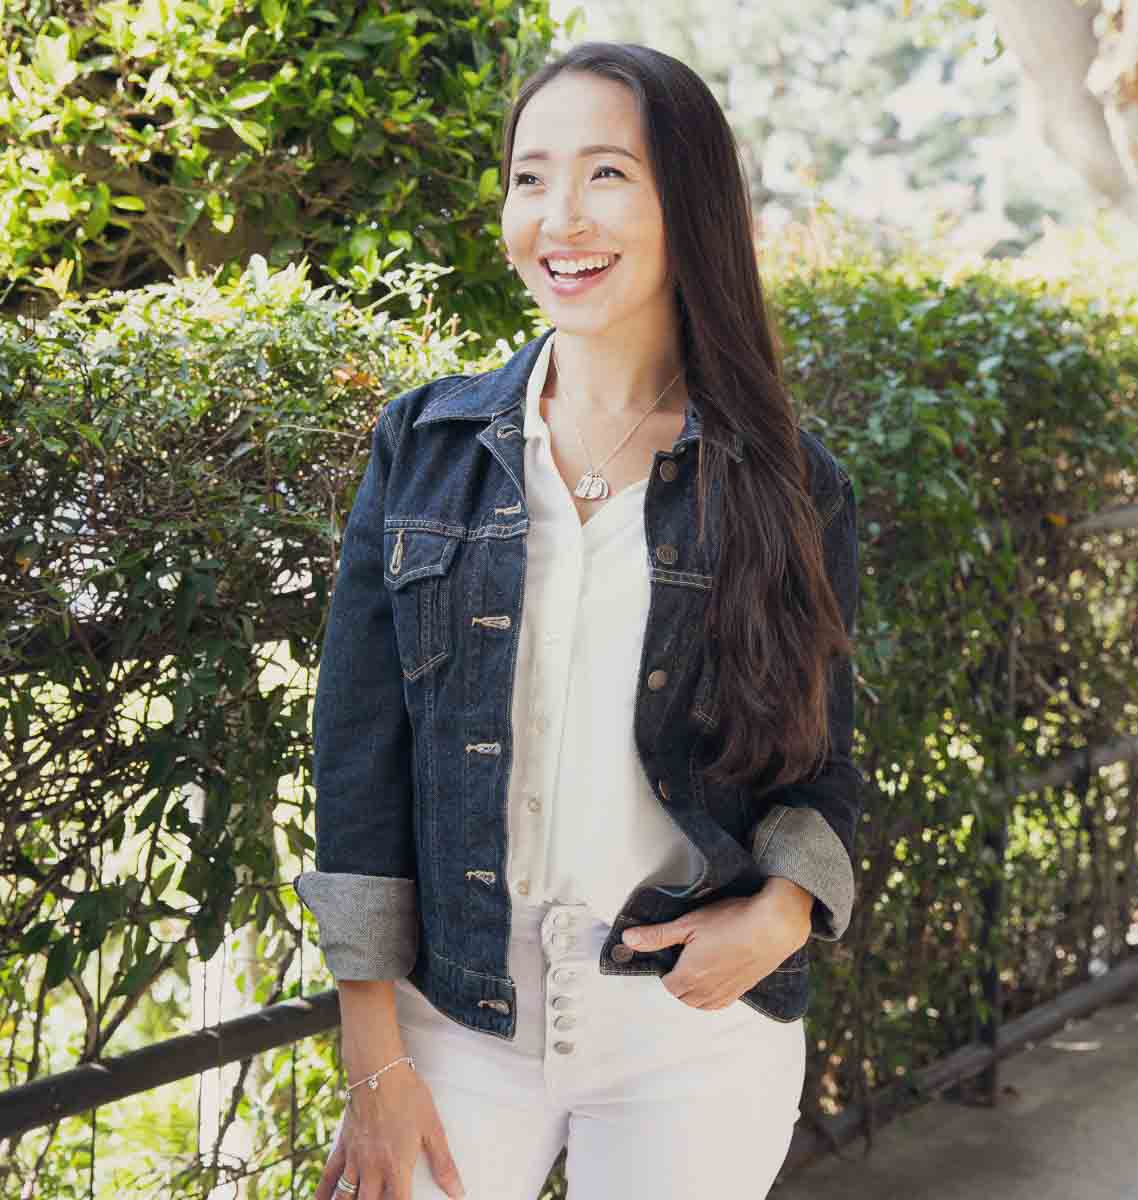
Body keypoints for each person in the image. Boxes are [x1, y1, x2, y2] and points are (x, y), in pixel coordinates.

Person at [295, 40, 862, 1200]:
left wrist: (786, 911)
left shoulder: (788, 483)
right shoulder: (425, 450)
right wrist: (372, 1053)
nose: (560, 216)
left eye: (608, 174)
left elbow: (823, 758)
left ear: (686, 204)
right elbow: (357, 760)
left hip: (690, 1031)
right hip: (452, 1019)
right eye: (529, 177)